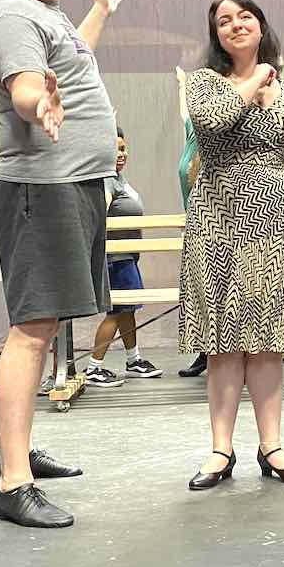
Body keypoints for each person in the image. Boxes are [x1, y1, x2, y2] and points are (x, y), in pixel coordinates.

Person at [0, 0, 123, 527]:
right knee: (32, 329)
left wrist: (98, 13)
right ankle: (13, 483)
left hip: (75, 185)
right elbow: (27, 86)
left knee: (42, 327)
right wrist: (37, 105)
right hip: (45, 188)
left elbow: (65, 63)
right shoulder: (13, 14)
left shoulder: (49, 15)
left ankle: (18, 453)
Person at [180, 0, 284, 490]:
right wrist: (255, 84)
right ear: (215, 34)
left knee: (267, 341)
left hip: (277, 222)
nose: (235, 25)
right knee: (222, 342)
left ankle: (273, 446)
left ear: (261, 25)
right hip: (218, 218)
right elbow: (211, 124)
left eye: (245, 17)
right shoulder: (205, 82)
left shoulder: (281, 88)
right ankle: (221, 450)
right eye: (224, 20)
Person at [85, 127, 162, 385]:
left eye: (123, 148)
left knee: (126, 309)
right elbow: (100, 210)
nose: (122, 154)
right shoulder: (106, 180)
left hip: (127, 256)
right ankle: (94, 367)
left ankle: (133, 359)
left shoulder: (119, 178)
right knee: (117, 311)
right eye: (116, 149)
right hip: (115, 258)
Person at [176, 66, 208, 378]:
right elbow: (184, 109)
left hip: (216, 227)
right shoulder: (191, 132)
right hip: (195, 228)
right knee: (200, 293)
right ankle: (206, 352)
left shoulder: (215, 139)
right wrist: (183, 84)